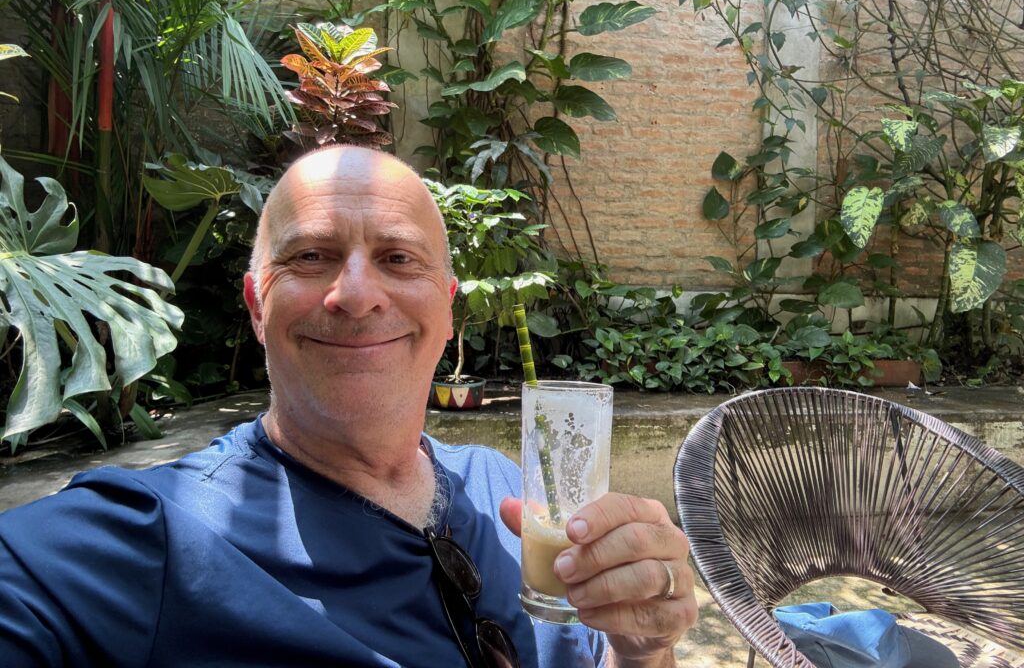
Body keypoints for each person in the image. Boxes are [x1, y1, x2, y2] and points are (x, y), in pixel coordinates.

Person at [0, 146, 697, 667]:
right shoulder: (153, 537)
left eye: (398, 258)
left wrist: (645, 648)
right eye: (310, 257)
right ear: (255, 307)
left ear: (448, 311)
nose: (357, 295)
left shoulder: (510, 492)